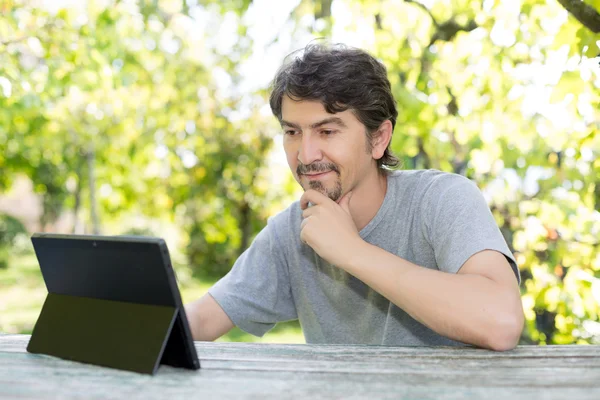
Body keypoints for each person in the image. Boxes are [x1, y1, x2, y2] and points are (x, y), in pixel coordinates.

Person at [185, 43, 524, 351]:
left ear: (379, 139)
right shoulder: (292, 229)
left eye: (327, 131)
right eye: (292, 132)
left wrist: (351, 251)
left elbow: (501, 322)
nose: (305, 154)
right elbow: (201, 320)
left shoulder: (441, 200)